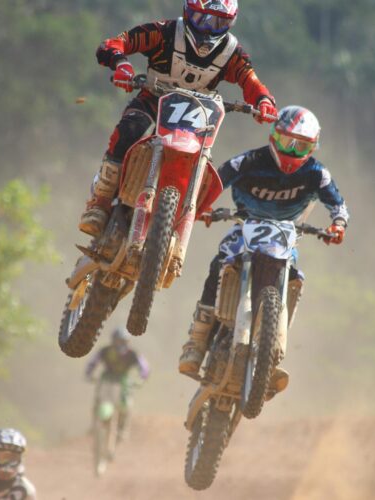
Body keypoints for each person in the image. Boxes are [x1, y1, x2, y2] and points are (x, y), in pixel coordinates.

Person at [178, 105, 350, 397]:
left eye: (301, 146)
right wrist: (202, 205)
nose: (291, 152)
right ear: (273, 136)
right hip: (245, 225)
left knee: (294, 279)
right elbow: (214, 182)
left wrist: (338, 225)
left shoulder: (317, 173)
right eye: (286, 142)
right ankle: (197, 340)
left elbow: (338, 205)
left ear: (313, 147)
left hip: (285, 235)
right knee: (220, 261)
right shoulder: (248, 161)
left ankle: (272, 355)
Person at [79, 0, 278, 237]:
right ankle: (100, 202)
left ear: (230, 23)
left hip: (197, 116)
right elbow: (115, 43)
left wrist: (264, 101)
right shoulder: (164, 32)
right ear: (188, 11)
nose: (207, 29)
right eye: (201, 19)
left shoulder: (231, 52)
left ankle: (182, 217)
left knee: (204, 158)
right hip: (153, 101)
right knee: (131, 129)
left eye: (217, 22)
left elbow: (251, 82)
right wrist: (121, 64)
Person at [86, 327, 149, 439]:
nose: (121, 344)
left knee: (126, 403)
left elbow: (143, 366)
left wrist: (142, 378)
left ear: (128, 342)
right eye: (118, 341)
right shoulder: (105, 350)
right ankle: (94, 424)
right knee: (99, 400)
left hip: (123, 380)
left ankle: (123, 429)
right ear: (113, 340)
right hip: (107, 378)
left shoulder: (132, 353)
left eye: (124, 342)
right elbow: (93, 361)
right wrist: (89, 373)